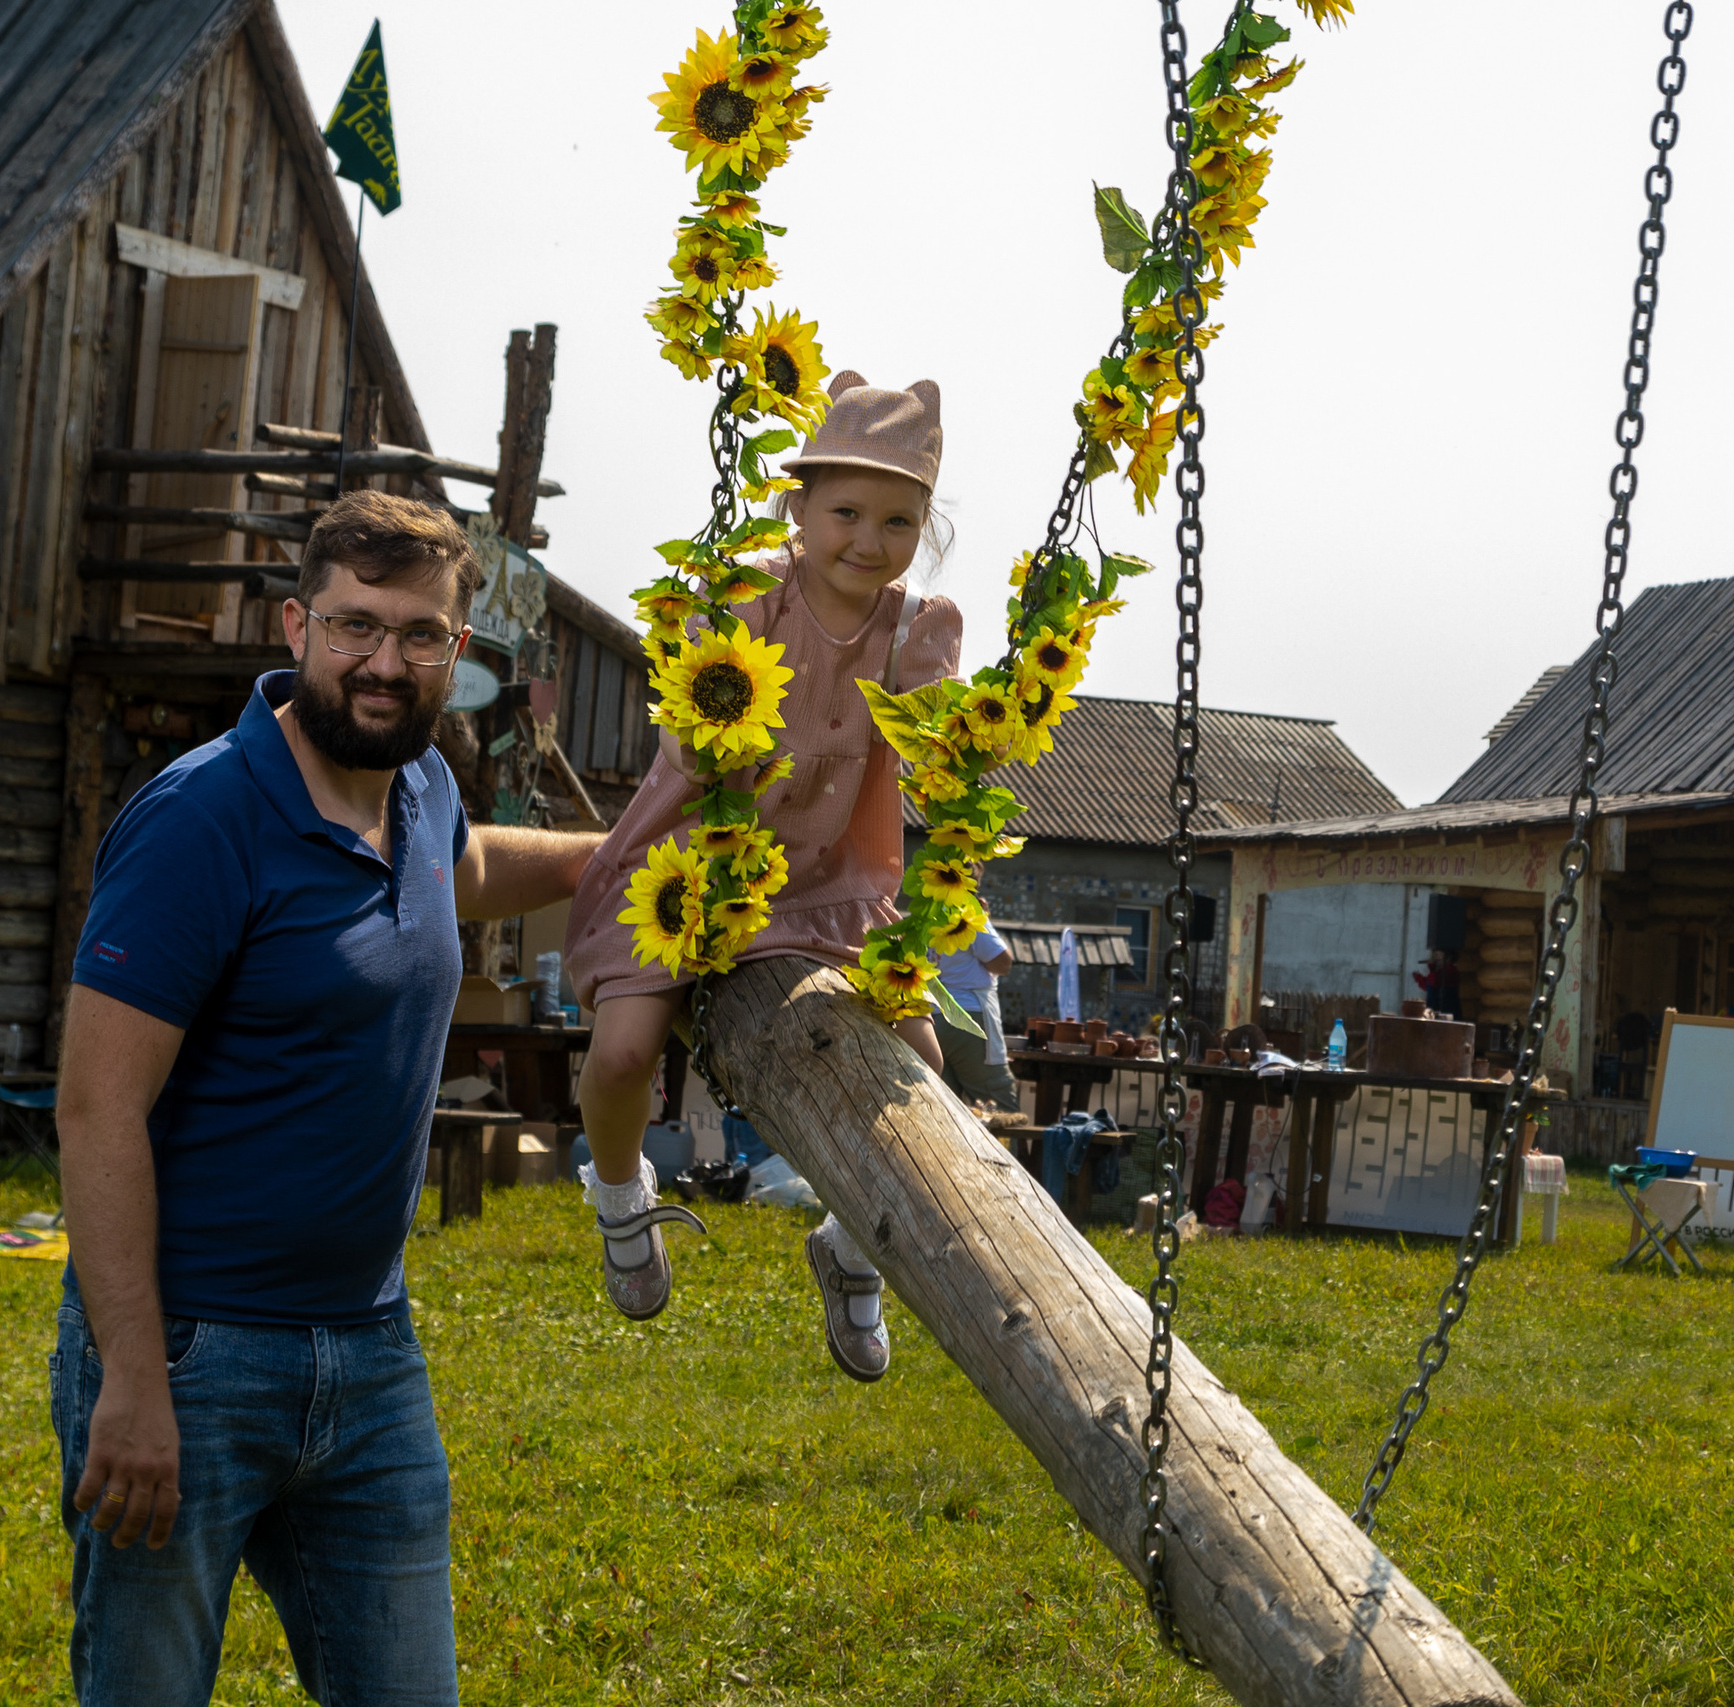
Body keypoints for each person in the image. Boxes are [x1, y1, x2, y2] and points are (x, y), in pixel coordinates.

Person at [51, 492, 602, 1704]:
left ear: (457, 652)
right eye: (355, 626)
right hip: (189, 1352)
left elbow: (465, 868)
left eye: (419, 635)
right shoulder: (203, 820)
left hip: (369, 1351)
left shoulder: (419, 788)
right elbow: (95, 1112)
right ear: (297, 626)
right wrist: (132, 1379)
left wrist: (614, 860)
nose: (383, 663)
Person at [564, 372, 963, 1384]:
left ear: (924, 528)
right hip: (691, 862)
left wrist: (964, 745)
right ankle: (620, 1194)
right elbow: (682, 734)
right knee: (623, 1051)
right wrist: (705, 719)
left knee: (923, 1069)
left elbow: (939, 750)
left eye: (898, 521)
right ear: (797, 506)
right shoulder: (744, 597)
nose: (867, 541)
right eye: (845, 513)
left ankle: (852, 1245)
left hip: (830, 882)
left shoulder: (917, 627)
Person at [933, 923, 1018, 1108]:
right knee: (998, 1104)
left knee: (946, 1104)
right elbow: (1003, 963)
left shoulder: (925, 915)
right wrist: (985, 921)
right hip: (969, 1017)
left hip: (932, 1018)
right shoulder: (967, 916)